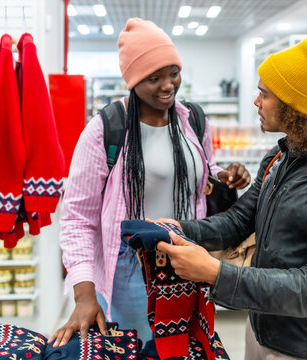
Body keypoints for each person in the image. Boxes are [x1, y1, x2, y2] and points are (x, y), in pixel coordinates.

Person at [156, 30, 307, 360]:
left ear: (295, 105)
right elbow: (239, 221)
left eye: (264, 94)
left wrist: (214, 273)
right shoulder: (280, 157)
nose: (255, 102)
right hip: (263, 329)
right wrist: (176, 229)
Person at [48, 18, 251, 353]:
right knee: (141, 348)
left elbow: (202, 172)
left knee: (186, 348)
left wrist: (223, 176)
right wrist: (84, 294)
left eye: (173, 72)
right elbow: (77, 219)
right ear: (133, 80)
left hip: (188, 256)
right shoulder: (105, 130)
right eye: (153, 78)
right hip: (131, 267)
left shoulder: (193, 120)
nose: (167, 85)